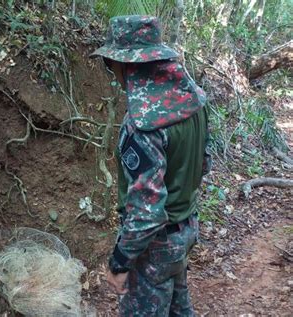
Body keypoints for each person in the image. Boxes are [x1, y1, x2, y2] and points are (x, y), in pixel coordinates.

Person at [90, 15, 211, 316]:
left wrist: (119, 262)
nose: (112, 72)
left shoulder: (142, 125)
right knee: (178, 308)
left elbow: (147, 214)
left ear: (127, 65)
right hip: (186, 230)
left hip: (155, 246)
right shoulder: (193, 99)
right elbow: (204, 163)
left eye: (111, 64)